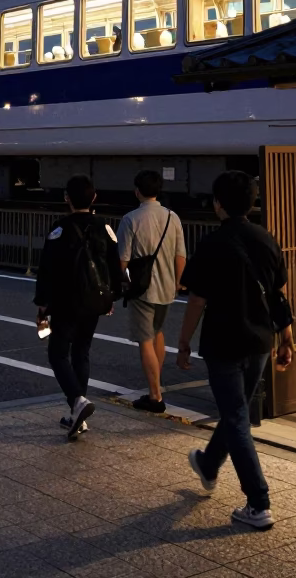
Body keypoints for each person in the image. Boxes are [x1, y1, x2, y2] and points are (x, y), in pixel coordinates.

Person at [177, 170, 294, 530]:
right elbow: (277, 293)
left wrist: (183, 341)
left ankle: (258, 503)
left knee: (237, 419)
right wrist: (287, 336)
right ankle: (209, 464)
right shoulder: (267, 239)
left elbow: (197, 298)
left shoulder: (212, 243)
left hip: (224, 343)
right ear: (252, 202)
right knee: (235, 413)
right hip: (260, 341)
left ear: (218, 203)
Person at [34, 174, 122, 439]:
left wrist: (42, 305)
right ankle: (77, 416)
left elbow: (46, 270)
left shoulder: (59, 229)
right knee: (82, 352)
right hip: (94, 302)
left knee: (58, 353)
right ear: (94, 198)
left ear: (66, 198)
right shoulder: (105, 228)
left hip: (65, 302)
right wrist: (111, 298)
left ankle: (77, 402)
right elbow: (114, 269)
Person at [117, 170, 186, 413]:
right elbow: (180, 255)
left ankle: (155, 396)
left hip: (142, 289)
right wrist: (177, 282)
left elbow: (123, 261)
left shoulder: (130, 219)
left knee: (145, 339)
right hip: (167, 288)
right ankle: (156, 386)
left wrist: (125, 283)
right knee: (157, 332)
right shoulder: (172, 217)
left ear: (137, 191)